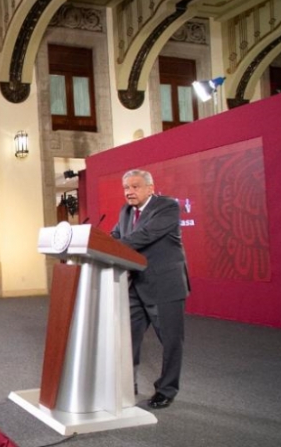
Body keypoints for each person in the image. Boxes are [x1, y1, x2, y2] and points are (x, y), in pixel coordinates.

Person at [110, 169, 190, 410]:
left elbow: (142, 237)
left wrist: (109, 246)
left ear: (150, 188)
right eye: (126, 188)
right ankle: (126, 383)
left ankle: (167, 390)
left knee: (171, 341)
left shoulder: (167, 207)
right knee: (128, 338)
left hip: (165, 286)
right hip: (136, 285)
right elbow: (114, 235)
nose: (129, 192)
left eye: (135, 187)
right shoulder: (125, 211)